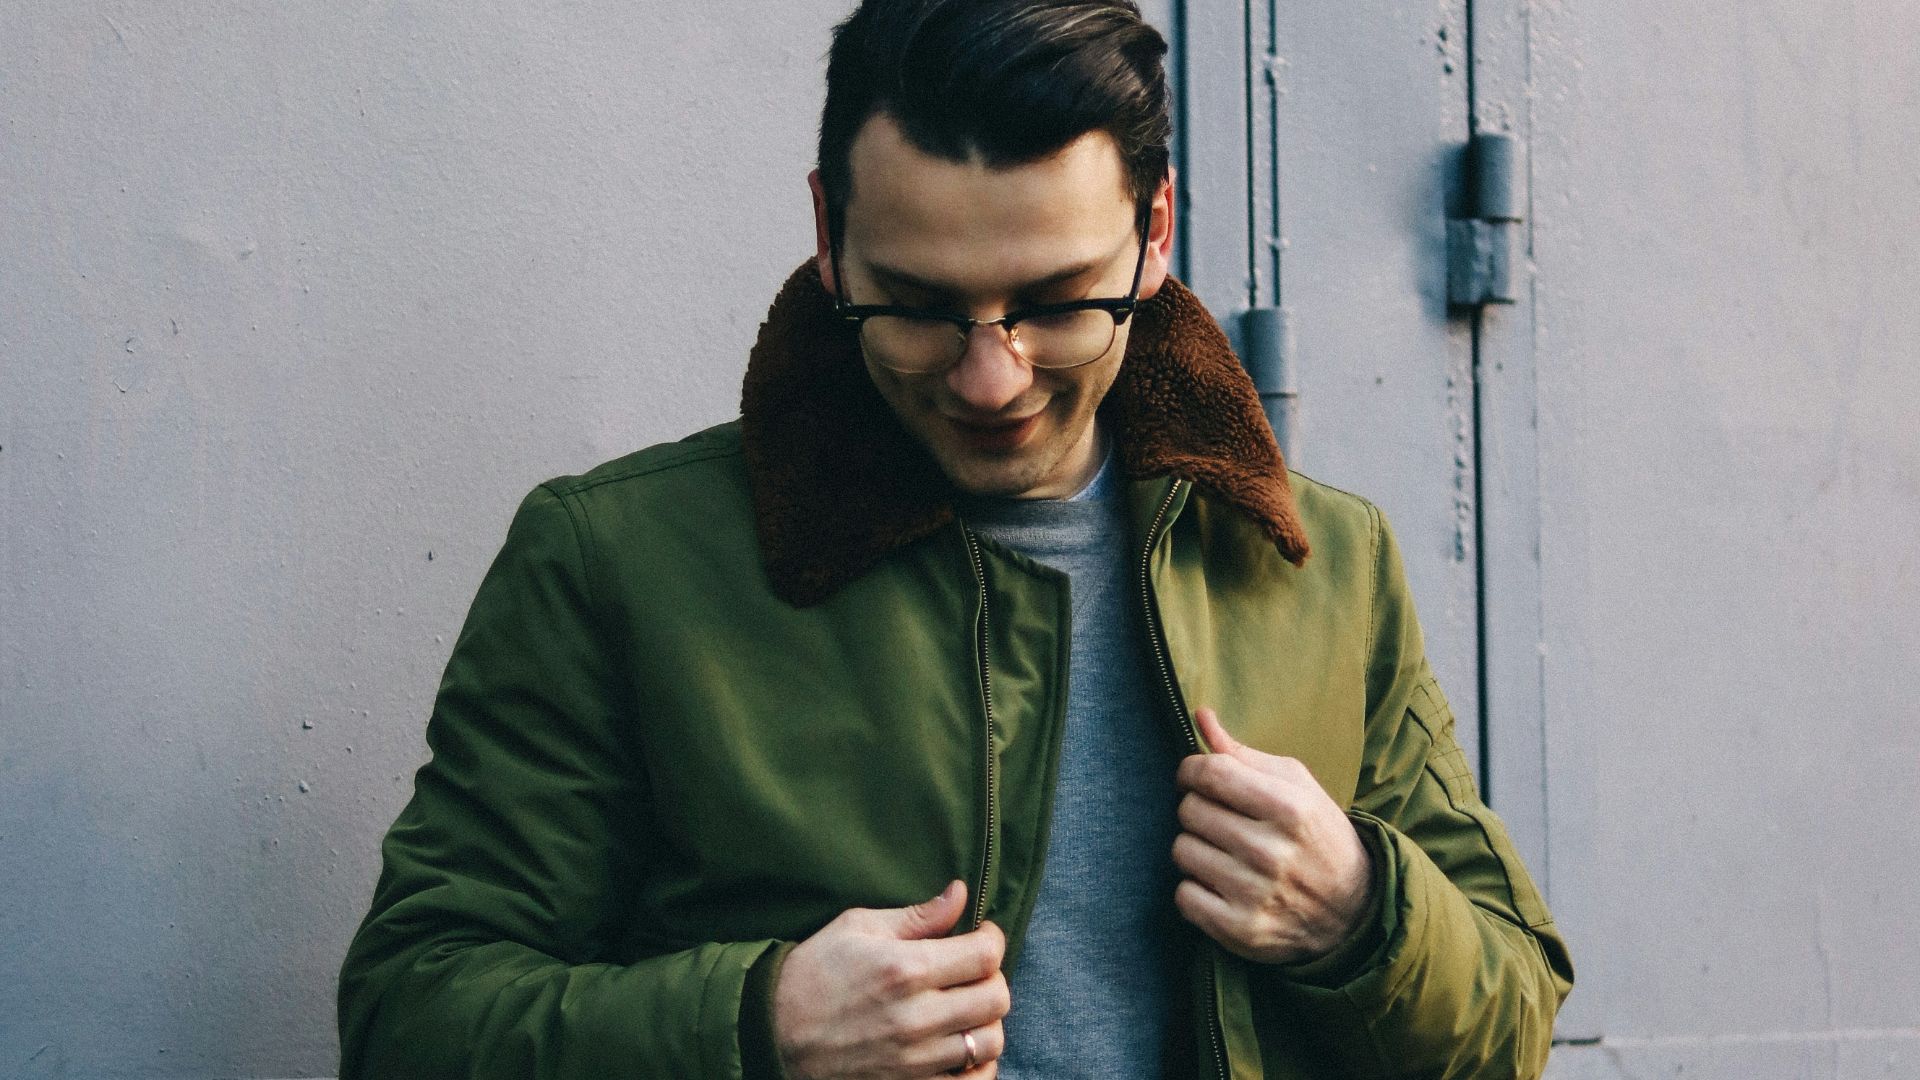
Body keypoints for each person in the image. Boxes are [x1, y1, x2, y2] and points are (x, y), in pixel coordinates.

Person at [336, 1, 1574, 1076]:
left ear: (1155, 234)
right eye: (921, 307)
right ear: (830, 235)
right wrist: (757, 1025)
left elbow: (1513, 1012)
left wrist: (1361, 912)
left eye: (1052, 303)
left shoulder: (1324, 566)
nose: (991, 378)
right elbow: (409, 1021)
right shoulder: (615, 564)